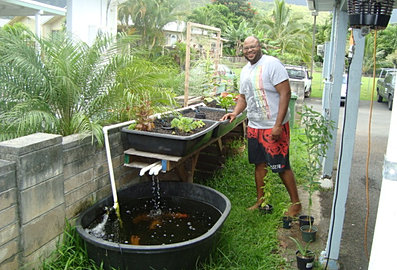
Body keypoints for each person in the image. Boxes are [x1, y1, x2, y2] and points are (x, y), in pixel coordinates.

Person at [221, 36, 301, 216]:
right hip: (255, 126)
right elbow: (243, 97)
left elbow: (285, 93)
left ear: (259, 47)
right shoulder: (244, 71)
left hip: (273, 126)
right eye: (246, 48)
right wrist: (235, 113)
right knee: (259, 164)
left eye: (253, 47)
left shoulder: (272, 64)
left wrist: (278, 124)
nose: (249, 50)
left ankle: (296, 204)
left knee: (281, 166)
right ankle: (261, 201)